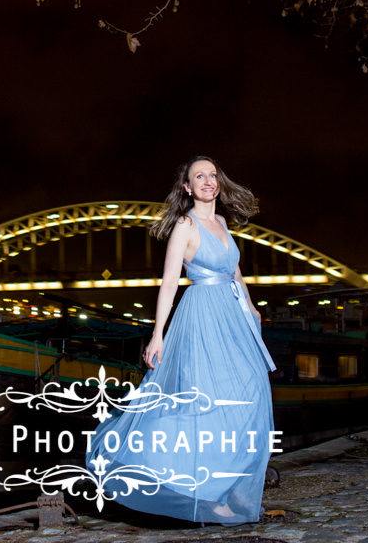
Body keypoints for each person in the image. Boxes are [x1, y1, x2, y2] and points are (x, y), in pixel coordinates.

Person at [88, 156, 276, 525]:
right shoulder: (184, 226)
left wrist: (251, 307)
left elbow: (233, 267)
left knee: (251, 395)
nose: (208, 181)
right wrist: (157, 334)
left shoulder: (221, 221)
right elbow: (170, 282)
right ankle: (208, 492)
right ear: (187, 187)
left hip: (233, 318)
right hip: (203, 317)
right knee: (210, 402)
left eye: (212, 175)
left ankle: (230, 486)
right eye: (199, 177)